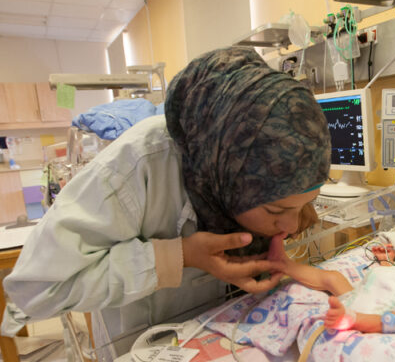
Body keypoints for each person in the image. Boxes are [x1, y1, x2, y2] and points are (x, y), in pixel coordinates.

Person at [2, 47, 331, 357]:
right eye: (275, 210)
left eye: (302, 204)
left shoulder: (254, 170)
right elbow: (34, 291)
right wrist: (180, 256)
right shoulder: (138, 167)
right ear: (224, 174)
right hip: (143, 345)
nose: (288, 225)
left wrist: (293, 221)